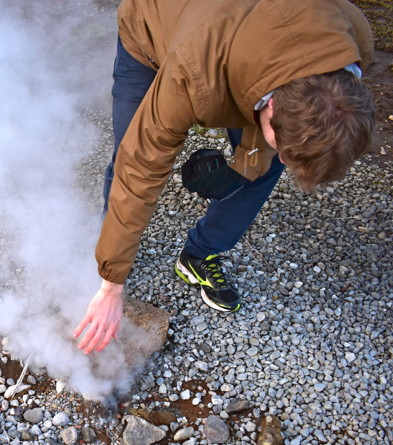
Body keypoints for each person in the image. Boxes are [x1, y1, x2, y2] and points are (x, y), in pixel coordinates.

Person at [74, 0, 376, 354]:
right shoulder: (195, 71)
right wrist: (111, 285)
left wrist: (245, 167)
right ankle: (105, 258)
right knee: (130, 147)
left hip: (240, 52)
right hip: (153, 28)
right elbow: (139, 167)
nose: (283, 156)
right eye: (281, 144)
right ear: (273, 105)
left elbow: (281, 135)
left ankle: (199, 254)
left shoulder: (352, 37)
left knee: (267, 167)